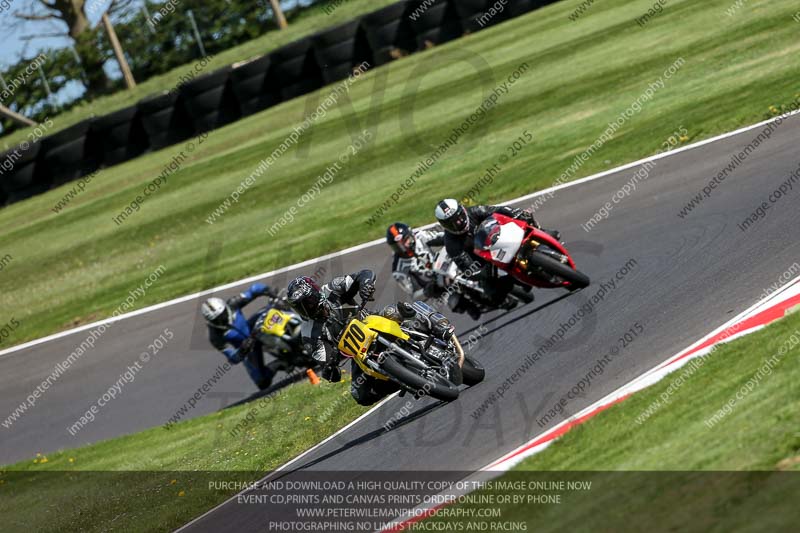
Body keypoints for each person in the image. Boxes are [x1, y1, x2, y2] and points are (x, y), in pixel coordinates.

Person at [287, 271, 454, 406]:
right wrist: (330, 368)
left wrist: (365, 285)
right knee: (359, 394)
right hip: (359, 354)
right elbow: (324, 359)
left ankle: (439, 326)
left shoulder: (332, 289)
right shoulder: (308, 334)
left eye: (308, 302)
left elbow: (363, 274)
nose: (307, 308)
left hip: (375, 320)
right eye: (300, 307)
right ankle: (404, 379)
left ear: (316, 293)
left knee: (399, 310)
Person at [434, 199, 560, 308]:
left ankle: (543, 233)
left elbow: (499, 209)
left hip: (501, 237)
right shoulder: (451, 244)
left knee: (526, 219)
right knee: (494, 294)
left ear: (462, 210)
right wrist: (481, 272)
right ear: (444, 225)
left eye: (459, 217)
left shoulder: (474, 211)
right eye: (451, 222)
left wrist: (516, 212)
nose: (458, 223)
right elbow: (467, 269)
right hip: (485, 261)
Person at [201, 282, 284, 390]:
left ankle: (300, 324)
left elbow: (254, 289)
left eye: (223, 314)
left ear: (225, 308)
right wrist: (241, 351)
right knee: (262, 382)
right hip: (248, 347)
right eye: (217, 319)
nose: (222, 319)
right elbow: (232, 357)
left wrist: (269, 290)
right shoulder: (215, 336)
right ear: (210, 321)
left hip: (254, 327)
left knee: (277, 307)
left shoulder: (233, 304)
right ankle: (283, 363)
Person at [386, 222, 446, 301]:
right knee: (454, 302)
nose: (404, 247)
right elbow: (415, 296)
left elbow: (446, 237)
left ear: (411, 234)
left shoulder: (421, 237)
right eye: (398, 246)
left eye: (405, 240)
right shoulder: (398, 269)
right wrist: (429, 290)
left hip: (447, 267)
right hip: (438, 289)